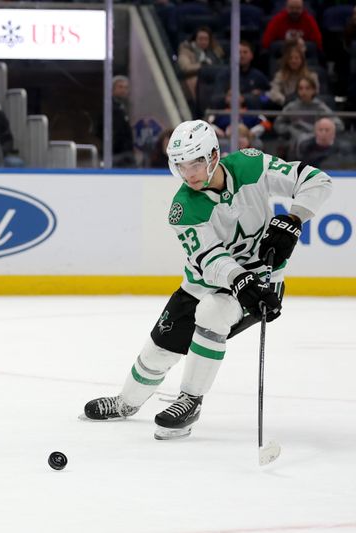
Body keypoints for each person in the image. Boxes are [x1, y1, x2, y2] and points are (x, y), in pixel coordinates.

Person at [84, 119, 332, 440]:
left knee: (213, 313)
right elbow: (210, 259)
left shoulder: (250, 165)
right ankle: (127, 403)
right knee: (159, 351)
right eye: (181, 166)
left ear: (214, 154)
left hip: (261, 284)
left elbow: (317, 180)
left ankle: (190, 400)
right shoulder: (183, 208)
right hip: (202, 284)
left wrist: (294, 219)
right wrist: (239, 279)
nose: (190, 174)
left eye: (196, 163)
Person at [274, 75, 342, 142]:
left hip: (315, 141)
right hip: (295, 141)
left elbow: (339, 125)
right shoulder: (291, 107)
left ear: (313, 90)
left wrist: (322, 130)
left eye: (307, 88)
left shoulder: (320, 107)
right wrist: (290, 129)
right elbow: (277, 124)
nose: (304, 92)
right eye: (301, 88)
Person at [177, 26, 225, 103]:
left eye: (206, 39)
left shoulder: (215, 52)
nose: (203, 42)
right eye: (200, 39)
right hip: (193, 82)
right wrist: (202, 65)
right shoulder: (186, 51)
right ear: (195, 39)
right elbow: (185, 68)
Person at [267, 39, 319, 107]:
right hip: (285, 106)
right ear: (287, 61)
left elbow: (315, 93)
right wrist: (285, 100)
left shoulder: (311, 76)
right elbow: (273, 92)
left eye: (296, 58)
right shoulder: (280, 75)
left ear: (302, 60)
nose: (293, 61)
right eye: (290, 58)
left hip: (306, 106)